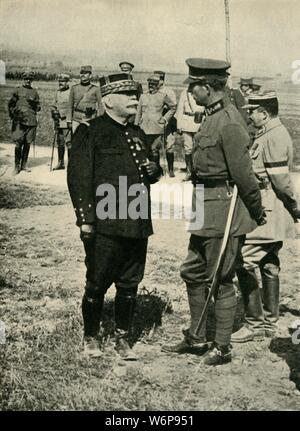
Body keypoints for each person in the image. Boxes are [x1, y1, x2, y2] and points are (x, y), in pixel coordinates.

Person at [162, 58, 266, 365]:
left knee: (219, 277)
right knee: (193, 271)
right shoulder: (210, 117)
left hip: (224, 208)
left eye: (194, 85)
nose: (191, 91)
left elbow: (244, 176)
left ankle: (221, 347)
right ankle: (197, 338)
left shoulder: (230, 122)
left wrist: (257, 211)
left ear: (208, 87)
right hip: (204, 207)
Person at [67, 73, 160, 359]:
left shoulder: (137, 134)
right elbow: (79, 179)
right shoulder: (90, 131)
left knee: (130, 282)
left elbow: (149, 172)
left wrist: (154, 171)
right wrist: (86, 219)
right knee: (97, 280)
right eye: (128, 95)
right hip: (106, 222)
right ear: (108, 101)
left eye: (136, 94)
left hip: (136, 221)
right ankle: (91, 336)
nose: (135, 99)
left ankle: (122, 338)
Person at [231, 91, 300, 343]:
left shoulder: (274, 136)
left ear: (264, 112)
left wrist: (295, 208)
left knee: (244, 260)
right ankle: (269, 323)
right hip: (269, 207)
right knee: (268, 263)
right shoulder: (268, 133)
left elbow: (281, 181)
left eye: (252, 111)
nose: (249, 115)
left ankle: (255, 324)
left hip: (267, 209)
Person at [135, 74, 176, 175]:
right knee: (144, 148)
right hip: (144, 127)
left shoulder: (162, 96)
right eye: (150, 84)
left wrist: (165, 118)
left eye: (153, 84)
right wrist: (135, 126)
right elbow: (138, 112)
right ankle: (146, 170)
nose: (151, 86)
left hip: (157, 127)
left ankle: (156, 170)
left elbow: (173, 107)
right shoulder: (143, 96)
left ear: (158, 85)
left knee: (154, 149)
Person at [8, 69, 40, 174]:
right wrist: (13, 116)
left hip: (31, 121)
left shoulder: (34, 92)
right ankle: (16, 166)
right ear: (23, 79)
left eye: (30, 79)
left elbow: (38, 106)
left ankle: (24, 165)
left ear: (32, 80)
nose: (28, 81)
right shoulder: (17, 91)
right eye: (26, 79)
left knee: (27, 143)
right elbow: (10, 105)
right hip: (19, 121)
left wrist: (36, 106)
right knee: (18, 143)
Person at [176, 86, 205, 181]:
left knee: (199, 148)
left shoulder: (203, 90)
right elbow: (180, 109)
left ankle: (198, 172)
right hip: (186, 122)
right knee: (188, 148)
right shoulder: (184, 92)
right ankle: (189, 172)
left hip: (200, 122)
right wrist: (179, 125)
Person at [67, 65, 103, 133]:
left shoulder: (96, 89)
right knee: (76, 140)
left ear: (90, 76)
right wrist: (69, 120)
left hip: (90, 119)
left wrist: (100, 121)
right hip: (76, 119)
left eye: (85, 73)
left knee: (89, 140)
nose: (83, 75)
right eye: (81, 73)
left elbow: (100, 106)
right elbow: (70, 105)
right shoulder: (74, 88)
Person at [50, 73, 72, 170]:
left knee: (69, 143)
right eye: (60, 81)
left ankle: (71, 164)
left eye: (63, 81)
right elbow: (53, 105)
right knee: (60, 142)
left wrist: (62, 114)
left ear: (67, 82)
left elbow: (73, 107)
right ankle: (61, 163)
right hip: (58, 121)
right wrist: (54, 112)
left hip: (67, 121)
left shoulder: (71, 93)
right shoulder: (57, 92)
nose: (61, 83)